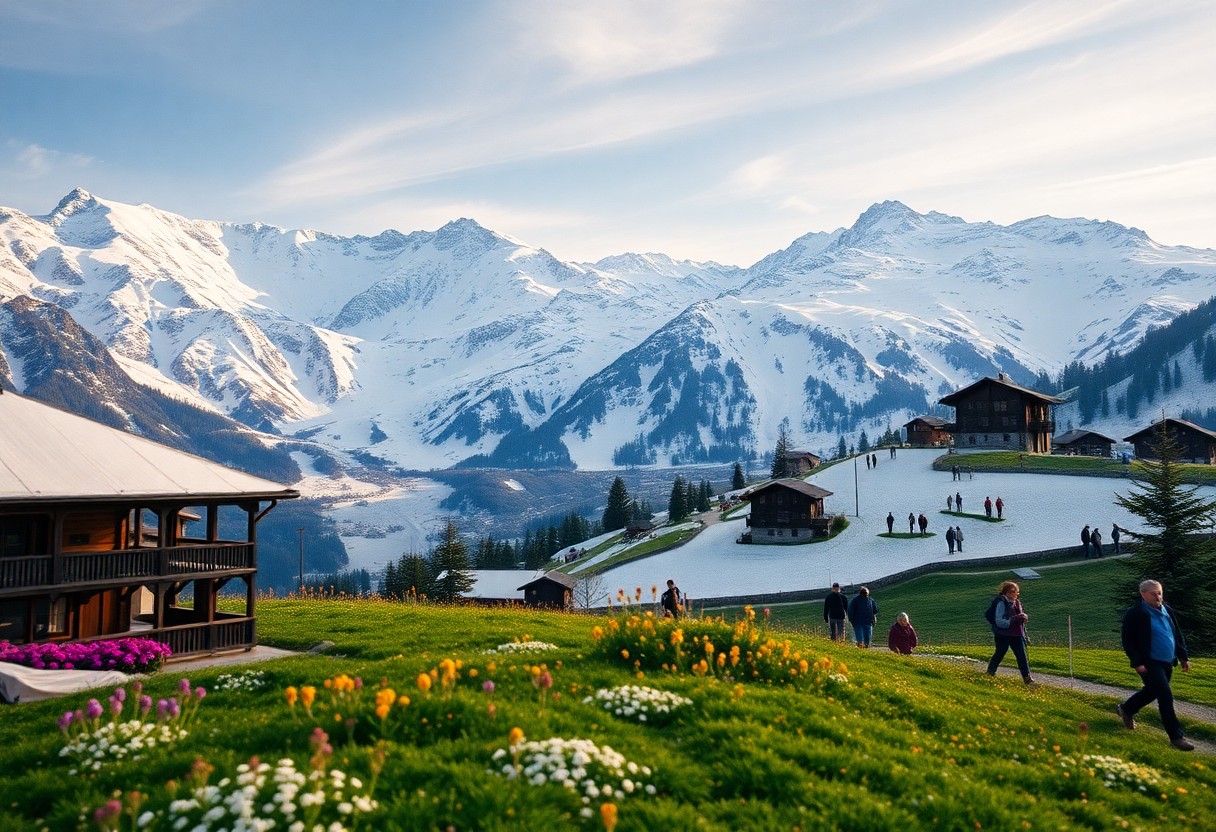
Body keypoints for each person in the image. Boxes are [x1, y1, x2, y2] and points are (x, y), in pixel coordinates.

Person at [1117, 579, 1193, 751]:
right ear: (1143, 594)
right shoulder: (1135, 613)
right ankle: (1176, 737)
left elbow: (1176, 634)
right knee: (1165, 696)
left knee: (1152, 691)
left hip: (1167, 661)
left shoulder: (1167, 610)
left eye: (1160, 592)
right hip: (1149, 662)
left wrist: (1183, 657)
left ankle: (1126, 709)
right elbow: (1128, 641)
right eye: (1154, 593)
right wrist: (1137, 662)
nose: (1158, 596)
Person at [986, 580, 1034, 683]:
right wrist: (1014, 619)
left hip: (1016, 634)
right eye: (1012, 591)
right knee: (1000, 653)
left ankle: (1027, 678)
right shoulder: (1001, 603)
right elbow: (999, 622)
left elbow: (1018, 616)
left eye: (1016, 591)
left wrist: (1023, 617)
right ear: (1006, 593)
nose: (1015, 594)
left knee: (1022, 656)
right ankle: (990, 673)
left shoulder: (1017, 603)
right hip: (1003, 634)